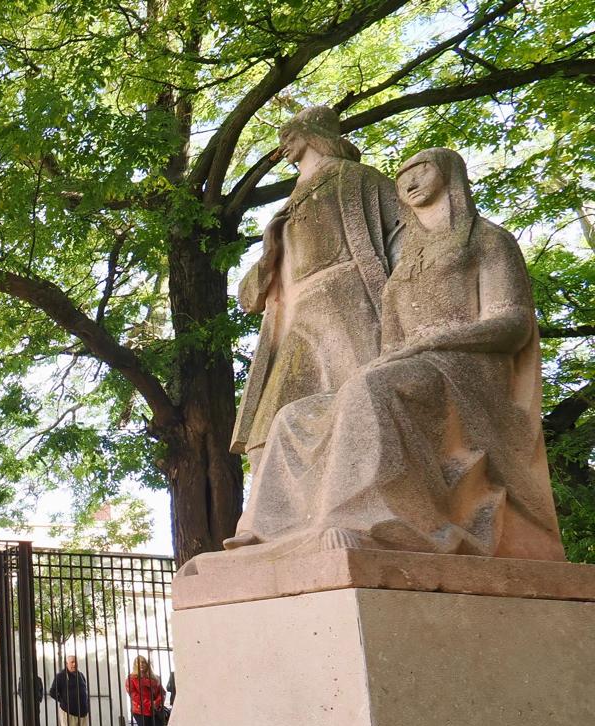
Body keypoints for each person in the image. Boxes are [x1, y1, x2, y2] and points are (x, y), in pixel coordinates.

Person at [227, 148, 565, 560]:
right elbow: (392, 344)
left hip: (466, 370)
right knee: (293, 416)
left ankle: (358, 518)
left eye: (421, 169)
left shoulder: (488, 239)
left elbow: (513, 325)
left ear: (448, 174)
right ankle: (270, 530)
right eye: (403, 173)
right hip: (413, 368)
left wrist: (433, 342)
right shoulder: (405, 265)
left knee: (371, 387)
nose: (410, 180)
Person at [231, 106, 401, 456]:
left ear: (312, 135)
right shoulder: (284, 210)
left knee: (363, 405)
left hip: (349, 303)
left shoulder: (358, 179)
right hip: (297, 317)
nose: (285, 147)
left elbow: (406, 239)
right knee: (267, 432)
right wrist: (268, 255)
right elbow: (248, 298)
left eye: (290, 137)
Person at [49, 654, 91, 726]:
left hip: (82, 710)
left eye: (75, 662)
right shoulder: (61, 676)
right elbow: (52, 692)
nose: (74, 664)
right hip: (67, 710)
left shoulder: (81, 675)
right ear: (66, 663)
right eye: (71, 662)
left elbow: (84, 689)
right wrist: (63, 702)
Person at [126, 656, 167, 726]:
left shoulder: (154, 678)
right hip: (140, 711)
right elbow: (134, 695)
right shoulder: (131, 678)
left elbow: (162, 692)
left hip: (155, 710)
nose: (142, 665)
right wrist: (149, 703)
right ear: (135, 665)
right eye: (139, 663)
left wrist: (157, 702)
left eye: (143, 662)